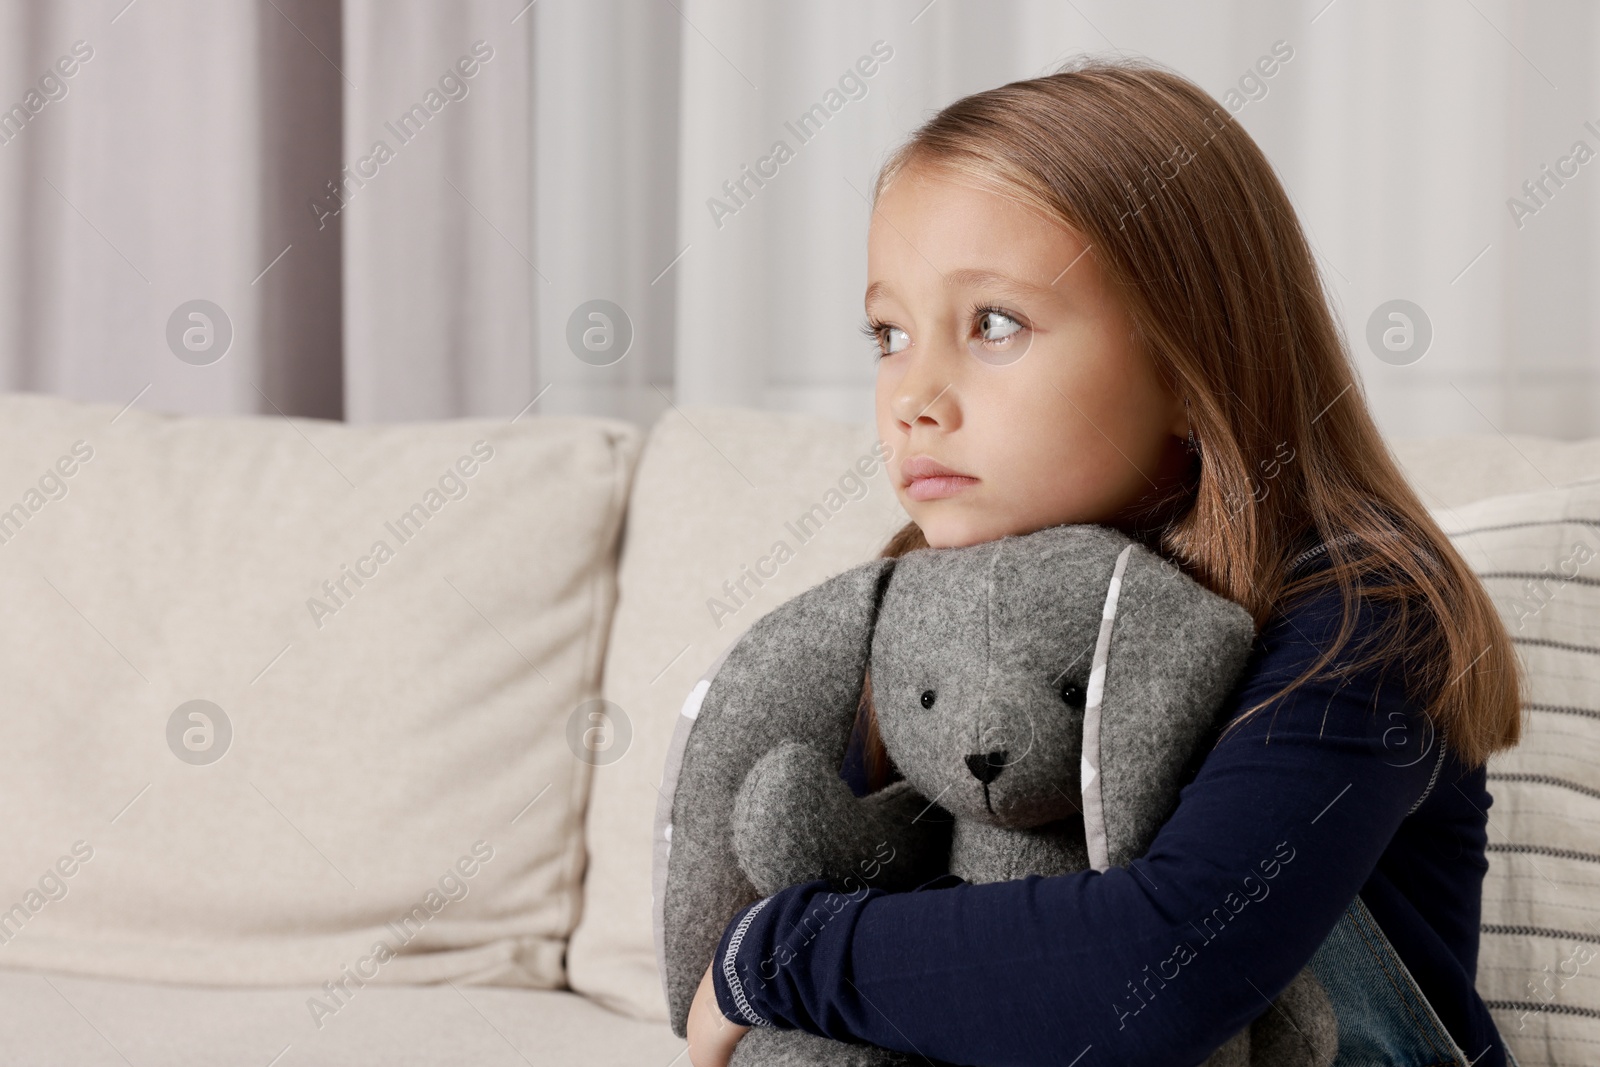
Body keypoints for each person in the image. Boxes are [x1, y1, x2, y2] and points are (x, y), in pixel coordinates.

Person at [684, 57, 1522, 1067]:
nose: (914, 394)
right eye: (889, 332)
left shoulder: (1363, 614)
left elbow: (1167, 965)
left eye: (992, 323)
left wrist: (779, 951)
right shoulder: (928, 602)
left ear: (1186, 361)